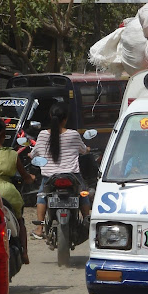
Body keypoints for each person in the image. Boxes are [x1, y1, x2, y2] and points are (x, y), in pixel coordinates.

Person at [30, 102, 91, 239]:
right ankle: (88, 221)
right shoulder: (74, 134)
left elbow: (34, 153)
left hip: (50, 178)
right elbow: (83, 149)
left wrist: (31, 155)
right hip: (72, 176)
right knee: (83, 194)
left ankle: (39, 228)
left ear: (51, 116)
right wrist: (87, 150)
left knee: (41, 196)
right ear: (65, 119)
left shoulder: (42, 135)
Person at [0, 116, 34, 264]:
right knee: (20, 221)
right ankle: (24, 252)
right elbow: (25, 176)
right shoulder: (12, 154)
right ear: (4, 135)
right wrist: (31, 178)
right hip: (9, 194)